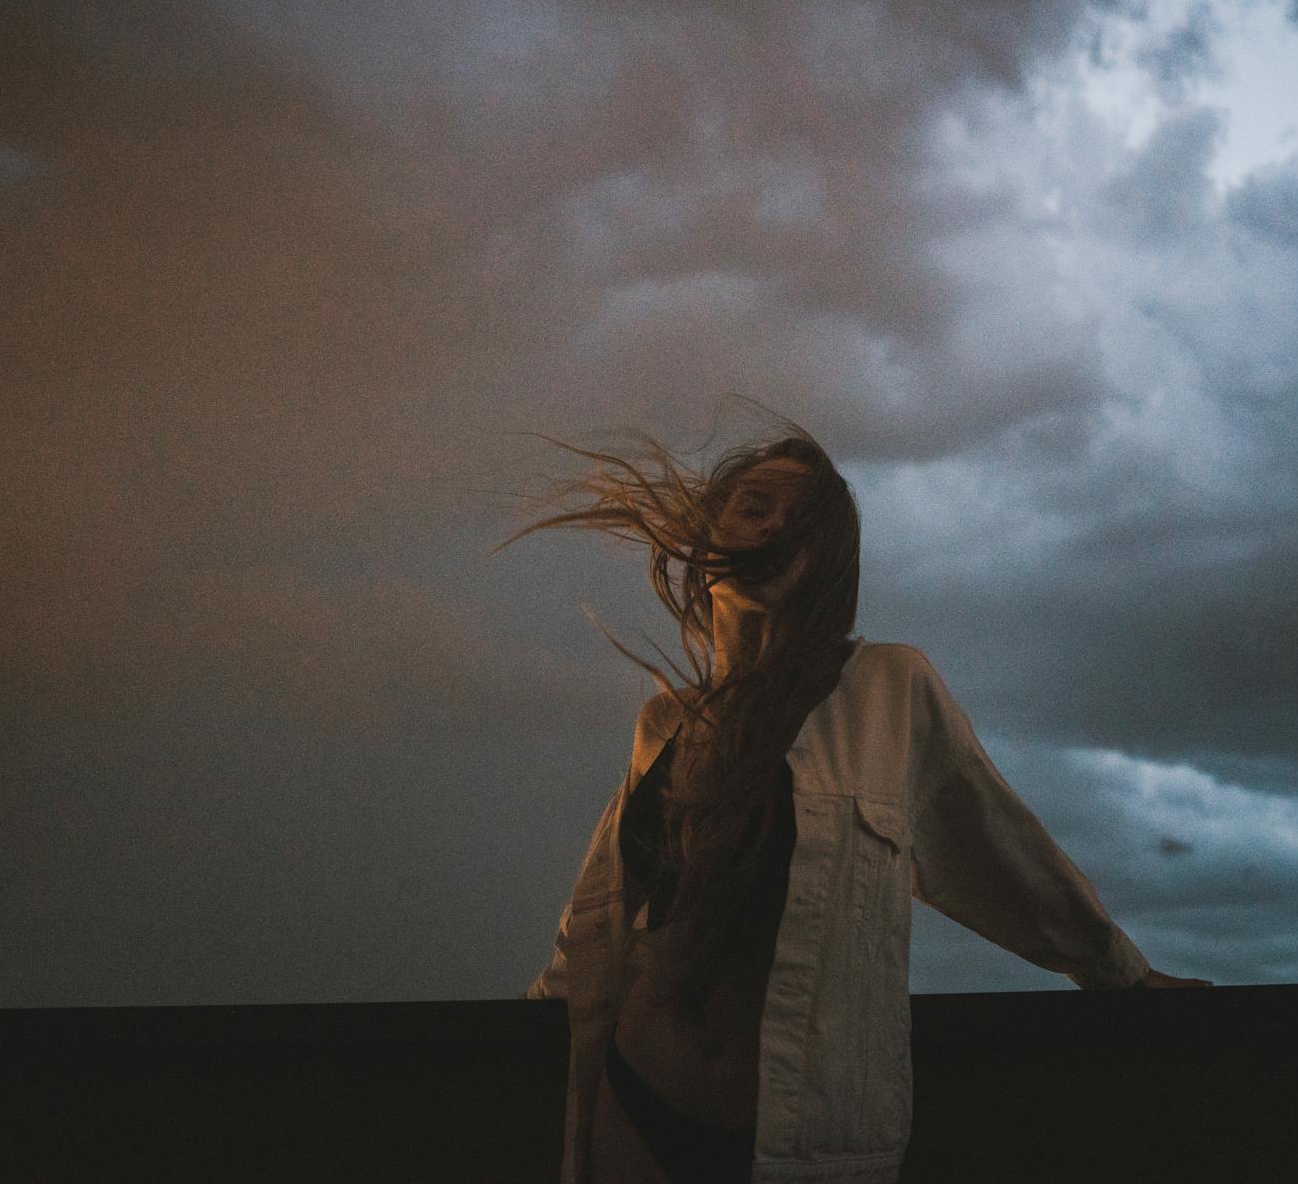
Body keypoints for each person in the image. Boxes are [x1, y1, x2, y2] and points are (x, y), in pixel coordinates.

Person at [508, 417, 1209, 1184]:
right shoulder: (666, 723)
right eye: (755, 505)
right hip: (635, 1105)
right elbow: (599, 920)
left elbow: (1000, 848)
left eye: (801, 522)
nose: (776, 525)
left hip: (801, 1138)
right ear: (713, 526)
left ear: (825, 563)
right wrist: (516, 1021)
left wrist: (1123, 974)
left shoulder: (888, 689)